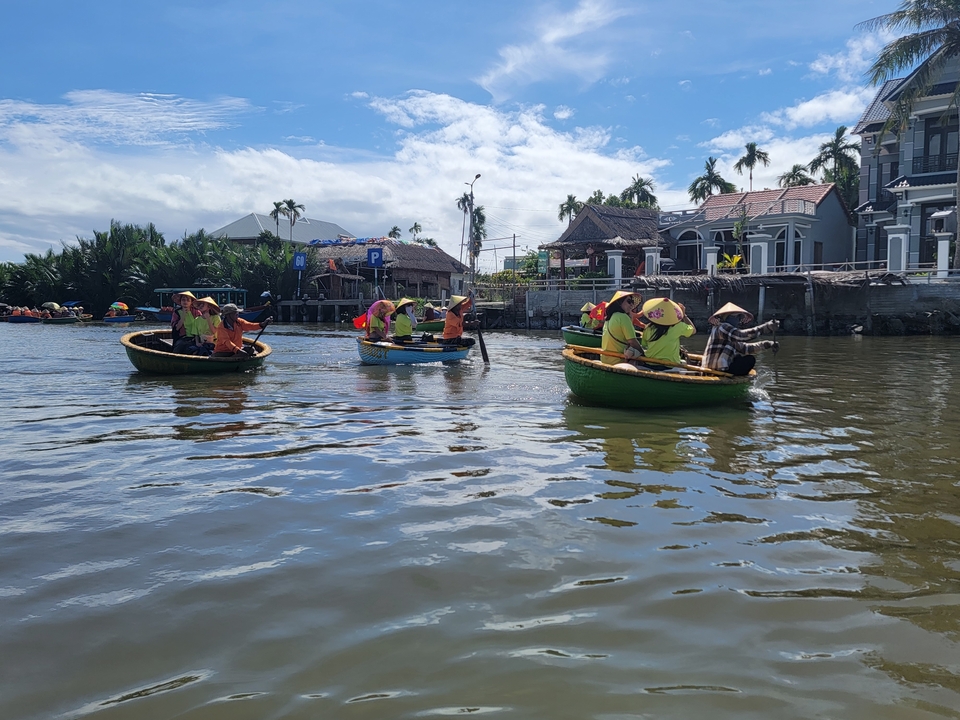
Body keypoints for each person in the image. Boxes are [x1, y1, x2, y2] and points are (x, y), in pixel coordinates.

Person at [701, 302, 779, 376]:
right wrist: (766, 327)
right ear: (726, 316)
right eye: (735, 317)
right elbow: (741, 335)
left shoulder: (730, 333)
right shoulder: (722, 327)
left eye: (739, 317)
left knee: (745, 359)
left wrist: (767, 344)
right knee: (748, 360)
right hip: (715, 371)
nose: (737, 320)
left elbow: (745, 348)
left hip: (722, 369)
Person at [640, 297, 696, 367]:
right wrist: (684, 316)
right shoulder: (678, 326)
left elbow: (644, 345)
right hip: (670, 365)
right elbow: (693, 330)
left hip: (650, 363)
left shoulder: (648, 327)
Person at [600, 290, 644, 365]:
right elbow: (633, 342)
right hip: (618, 361)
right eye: (629, 301)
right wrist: (643, 354)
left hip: (605, 359)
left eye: (632, 302)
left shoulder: (608, 318)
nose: (631, 305)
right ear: (619, 302)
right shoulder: (623, 317)